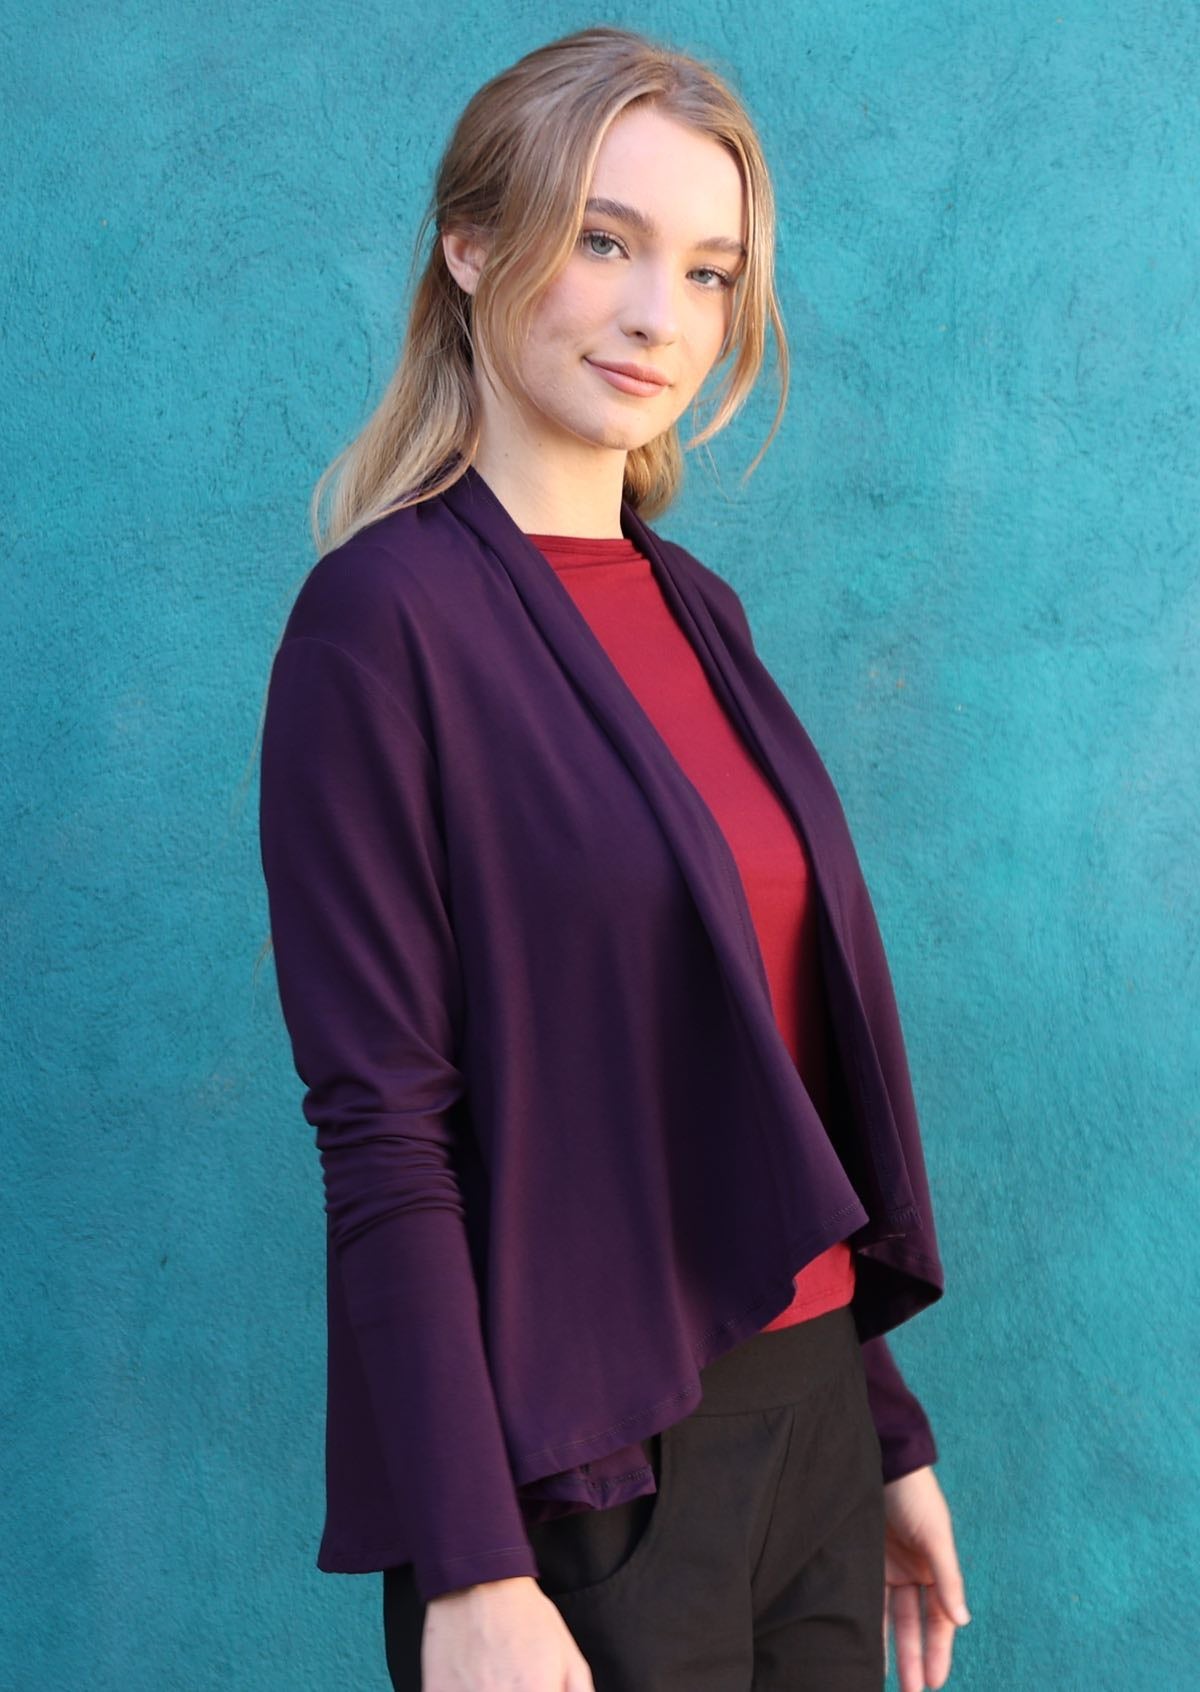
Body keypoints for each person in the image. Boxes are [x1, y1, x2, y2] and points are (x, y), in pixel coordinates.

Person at [256, 24, 971, 1692]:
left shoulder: (699, 612)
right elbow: (384, 1131)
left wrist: (881, 1432)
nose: (662, 314)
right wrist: (470, 1567)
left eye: (709, 270)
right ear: (471, 246)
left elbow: (762, 1080)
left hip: (809, 1431)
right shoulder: (380, 625)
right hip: (588, 1470)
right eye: (603, 239)